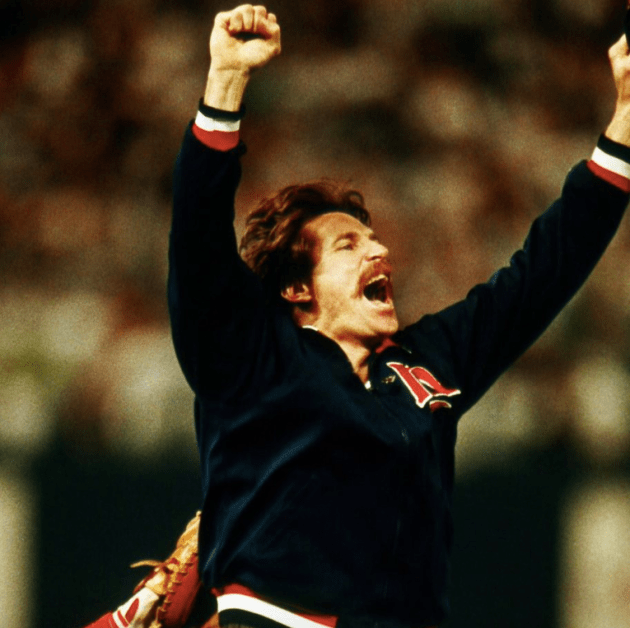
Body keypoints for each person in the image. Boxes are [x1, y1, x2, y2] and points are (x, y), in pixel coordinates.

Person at [86, 4, 630, 628]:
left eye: (374, 239)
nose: (380, 250)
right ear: (296, 287)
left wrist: (624, 122)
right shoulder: (253, 357)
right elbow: (197, 237)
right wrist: (226, 81)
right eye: (348, 244)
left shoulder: (429, 363)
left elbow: (543, 273)